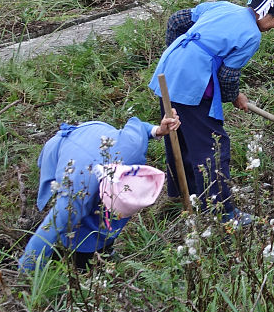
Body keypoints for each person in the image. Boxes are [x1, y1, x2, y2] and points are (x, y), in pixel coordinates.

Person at [149, 0, 274, 223]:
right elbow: (227, 76)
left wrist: (181, 57)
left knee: (179, 135)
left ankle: (183, 194)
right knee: (212, 144)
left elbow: (177, 20)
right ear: (265, 13)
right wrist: (234, 96)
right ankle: (221, 211)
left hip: (169, 71)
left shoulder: (224, 7)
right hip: (193, 81)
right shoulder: (252, 34)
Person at [19, 111, 180, 272]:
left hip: (94, 136)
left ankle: (101, 246)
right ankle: (74, 253)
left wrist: (159, 130)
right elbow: (47, 231)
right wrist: (25, 273)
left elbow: (142, 128)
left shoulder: (132, 148)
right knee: (68, 219)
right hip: (63, 148)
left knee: (96, 214)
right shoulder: (77, 192)